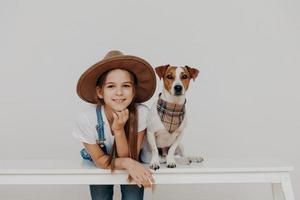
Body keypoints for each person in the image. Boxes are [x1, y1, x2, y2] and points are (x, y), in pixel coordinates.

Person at [72, 50, 157, 200]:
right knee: (100, 192)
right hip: (102, 161)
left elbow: (131, 156)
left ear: (134, 91)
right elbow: (99, 160)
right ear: (100, 92)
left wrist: (118, 130)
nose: (119, 92)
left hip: (131, 159)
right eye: (111, 86)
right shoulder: (86, 119)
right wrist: (127, 162)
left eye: (125, 85)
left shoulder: (142, 114)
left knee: (133, 191)